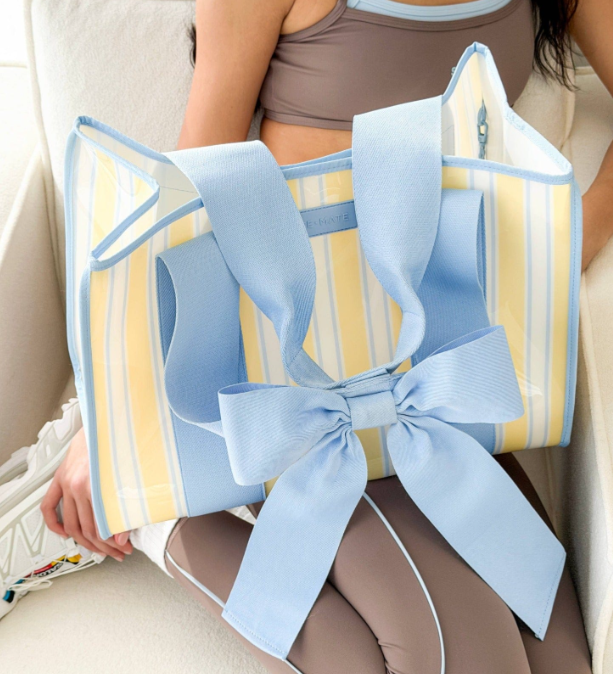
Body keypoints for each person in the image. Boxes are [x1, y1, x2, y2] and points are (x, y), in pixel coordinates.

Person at [40, 1, 613, 671]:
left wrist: (570, 237)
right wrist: (111, 428)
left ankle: (169, 530)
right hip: (303, 372)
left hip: (439, 376)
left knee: (561, 664)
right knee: (460, 660)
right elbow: (187, 196)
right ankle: (166, 520)